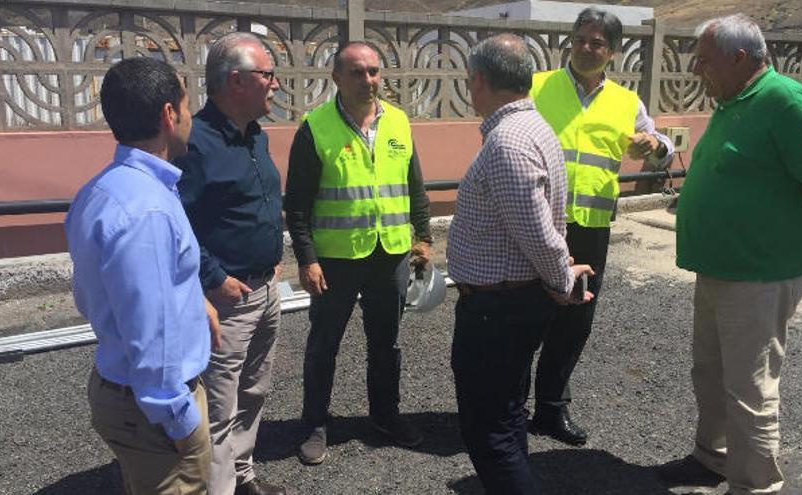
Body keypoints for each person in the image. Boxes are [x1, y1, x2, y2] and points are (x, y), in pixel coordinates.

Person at [660, 14, 802, 495]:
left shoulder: (786, 101)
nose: (698, 71)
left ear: (739, 57)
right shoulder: (734, 99)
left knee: (750, 391)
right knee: (710, 374)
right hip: (722, 267)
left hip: (760, 274)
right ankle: (713, 459)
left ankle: (755, 486)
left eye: (705, 61)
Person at [448, 34, 595, 494]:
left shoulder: (508, 141)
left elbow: (536, 230)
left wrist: (560, 280)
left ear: (478, 80)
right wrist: (557, 277)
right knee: (507, 413)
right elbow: (549, 221)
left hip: (498, 308)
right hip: (511, 301)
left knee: (488, 429)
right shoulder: (534, 128)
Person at [66, 57, 219, 494]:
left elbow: (91, 294)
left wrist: (194, 302)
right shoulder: (146, 210)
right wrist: (180, 421)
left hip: (128, 396)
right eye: (187, 105)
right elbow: (150, 333)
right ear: (169, 115)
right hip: (154, 409)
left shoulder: (104, 188)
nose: (191, 115)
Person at [527, 6, 675, 446]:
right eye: (580, 39)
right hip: (539, 222)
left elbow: (661, 149)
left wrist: (656, 145)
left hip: (590, 227)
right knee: (526, 314)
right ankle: (508, 406)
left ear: (612, 52)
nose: (587, 48)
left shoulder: (626, 102)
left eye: (597, 43)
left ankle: (551, 409)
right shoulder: (538, 87)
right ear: (569, 42)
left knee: (574, 318)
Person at [283, 41, 433, 465]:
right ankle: (314, 422)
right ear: (336, 78)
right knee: (323, 344)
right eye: (357, 72)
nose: (368, 80)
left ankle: (385, 416)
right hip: (335, 260)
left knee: (386, 343)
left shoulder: (399, 122)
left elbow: (414, 187)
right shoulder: (316, 128)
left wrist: (422, 237)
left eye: (373, 71)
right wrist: (307, 258)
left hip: (391, 255)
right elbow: (297, 204)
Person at [174, 32, 286, 495]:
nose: (276, 85)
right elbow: (177, 223)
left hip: (266, 289)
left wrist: (271, 258)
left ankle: (242, 478)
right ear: (236, 81)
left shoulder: (254, 136)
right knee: (219, 407)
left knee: (254, 392)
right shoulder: (195, 143)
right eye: (268, 75)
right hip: (227, 300)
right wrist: (213, 278)